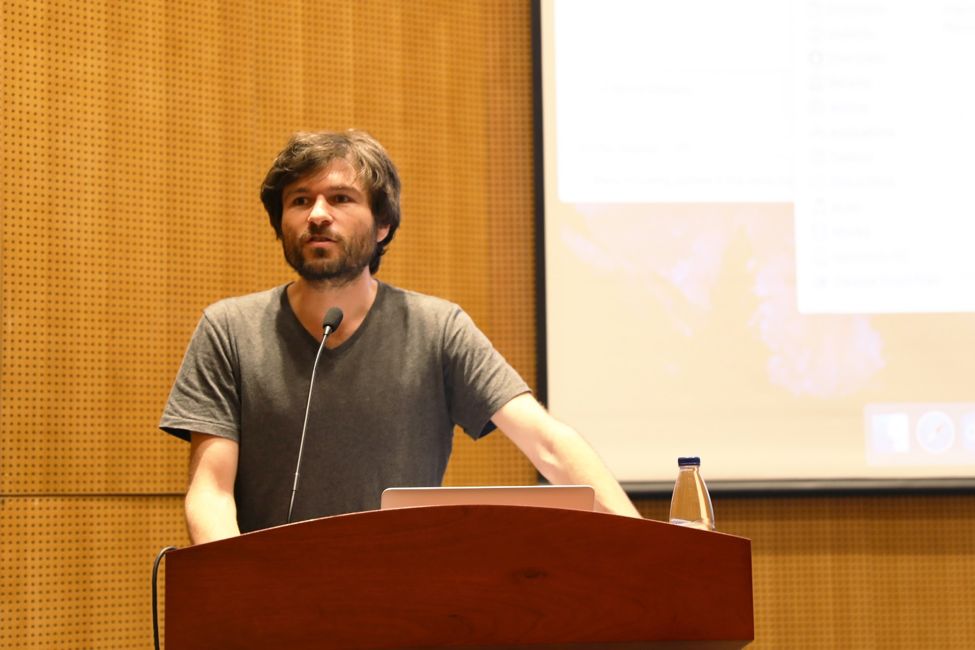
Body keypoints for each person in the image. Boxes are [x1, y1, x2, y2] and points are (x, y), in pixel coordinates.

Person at [160, 129, 640, 545]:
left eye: (340, 198)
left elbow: (548, 444)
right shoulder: (229, 330)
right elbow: (211, 491)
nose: (318, 215)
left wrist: (653, 549)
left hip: (406, 595)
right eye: (300, 200)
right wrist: (239, 589)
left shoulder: (437, 328)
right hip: (272, 598)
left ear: (383, 225)